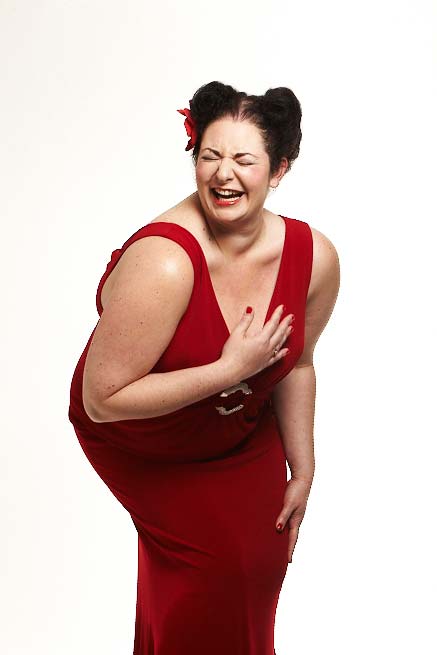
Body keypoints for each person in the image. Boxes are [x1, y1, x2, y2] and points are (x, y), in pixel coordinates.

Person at [68, 80, 340, 655]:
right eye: (210, 156)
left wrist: (303, 468)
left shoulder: (313, 258)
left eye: (244, 160)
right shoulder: (164, 262)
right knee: (213, 576)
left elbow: (297, 364)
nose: (223, 174)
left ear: (279, 169)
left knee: (257, 568)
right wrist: (227, 369)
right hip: (145, 437)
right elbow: (102, 399)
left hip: (241, 428)